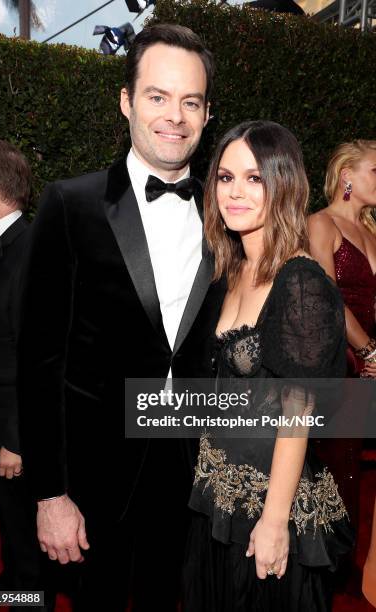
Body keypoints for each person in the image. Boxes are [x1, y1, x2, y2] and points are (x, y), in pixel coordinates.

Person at [17, 24, 225, 611]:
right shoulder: (70, 203)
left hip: (189, 473)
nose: (175, 116)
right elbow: (39, 360)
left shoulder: (225, 211)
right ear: (127, 101)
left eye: (191, 102)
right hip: (93, 479)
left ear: (208, 115)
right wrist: (50, 494)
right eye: (157, 97)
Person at [183, 121, 353, 612]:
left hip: (271, 508)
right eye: (225, 177)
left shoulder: (300, 280)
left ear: (284, 184)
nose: (235, 192)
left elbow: (297, 412)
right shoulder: (232, 266)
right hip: (216, 494)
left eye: (254, 179)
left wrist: (275, 521)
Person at [0, 139, 52, 610]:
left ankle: (30, 591)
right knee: (13, 525)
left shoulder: (30, 250)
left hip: (11, 429)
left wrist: (17, 438)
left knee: (27, 524)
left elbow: (38, 355)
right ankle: (16, 578)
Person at [308, 139, 376, 589]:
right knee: (342, 471)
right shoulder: (320, 223)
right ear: (347, 175)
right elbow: (326, 298)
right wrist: (369, 351)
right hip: (343, 363)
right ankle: (330, 577)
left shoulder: (373, 232)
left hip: (373, 360)